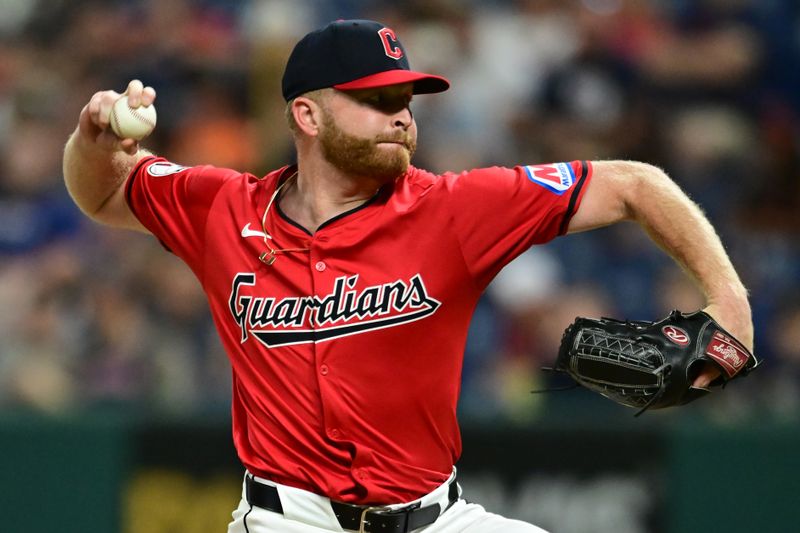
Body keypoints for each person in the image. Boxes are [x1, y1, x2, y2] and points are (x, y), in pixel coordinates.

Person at [63, 19, 753, 533]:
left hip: (434, 517)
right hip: (287, 519)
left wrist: (727, 295)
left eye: (406, 98)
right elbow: (101, 192)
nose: (400, 114)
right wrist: (91, 138)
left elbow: (635, 183)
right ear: (307, 113)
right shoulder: (223, 207)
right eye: (375, 98)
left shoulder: (452, 209)